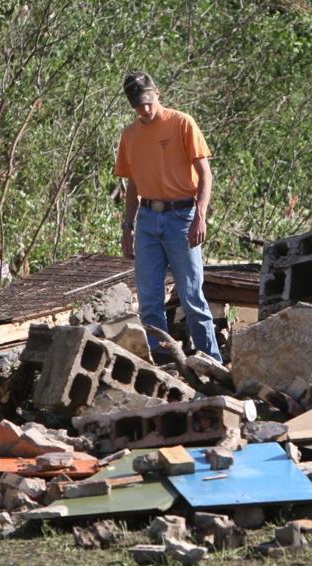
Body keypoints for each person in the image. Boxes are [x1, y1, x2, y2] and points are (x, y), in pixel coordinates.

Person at [114, 71, 222, 362]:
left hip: (182, 216)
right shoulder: (130, 135)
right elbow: (133, 185)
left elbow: (205, 174)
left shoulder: (181, 123)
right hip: (148, 219)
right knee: (149, 302)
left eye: (148, 103)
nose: (145, 110)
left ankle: (211, 361)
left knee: (191, 297)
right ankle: (164, 364)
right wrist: (128, 227)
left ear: (157, 94)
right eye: (138, 106)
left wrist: (200, 216)